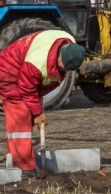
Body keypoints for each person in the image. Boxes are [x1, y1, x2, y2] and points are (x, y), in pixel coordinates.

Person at [0, 30, 85, 178]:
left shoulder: (70, 44)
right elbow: (27, 88)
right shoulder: (37, 63)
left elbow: (36, 85)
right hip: (8, 72)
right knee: (20, 117)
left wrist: (36, 107)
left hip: (24, 72)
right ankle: (23, 166)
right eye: (63, 66)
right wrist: (37, 113)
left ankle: (15, 158)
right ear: (60, 54)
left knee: (25, 120)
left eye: (67, 69)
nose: (64, 70)